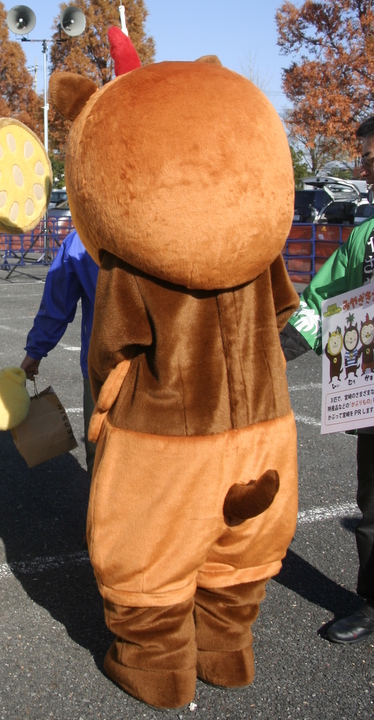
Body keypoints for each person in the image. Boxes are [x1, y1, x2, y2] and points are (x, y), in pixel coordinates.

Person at [280, 115, 374, 644]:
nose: (365, 171)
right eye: (364, 161)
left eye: (371, 161)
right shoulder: (364, 237)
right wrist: (271, 357)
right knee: (373, 508)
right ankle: (372, 602)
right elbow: (319, 304)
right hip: (371, 395)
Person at [20, 229, 99, 479]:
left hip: (104, 366)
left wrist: (34, 353)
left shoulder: (83, 238)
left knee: (102, 457)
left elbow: (57, 304)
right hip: (175, 366)